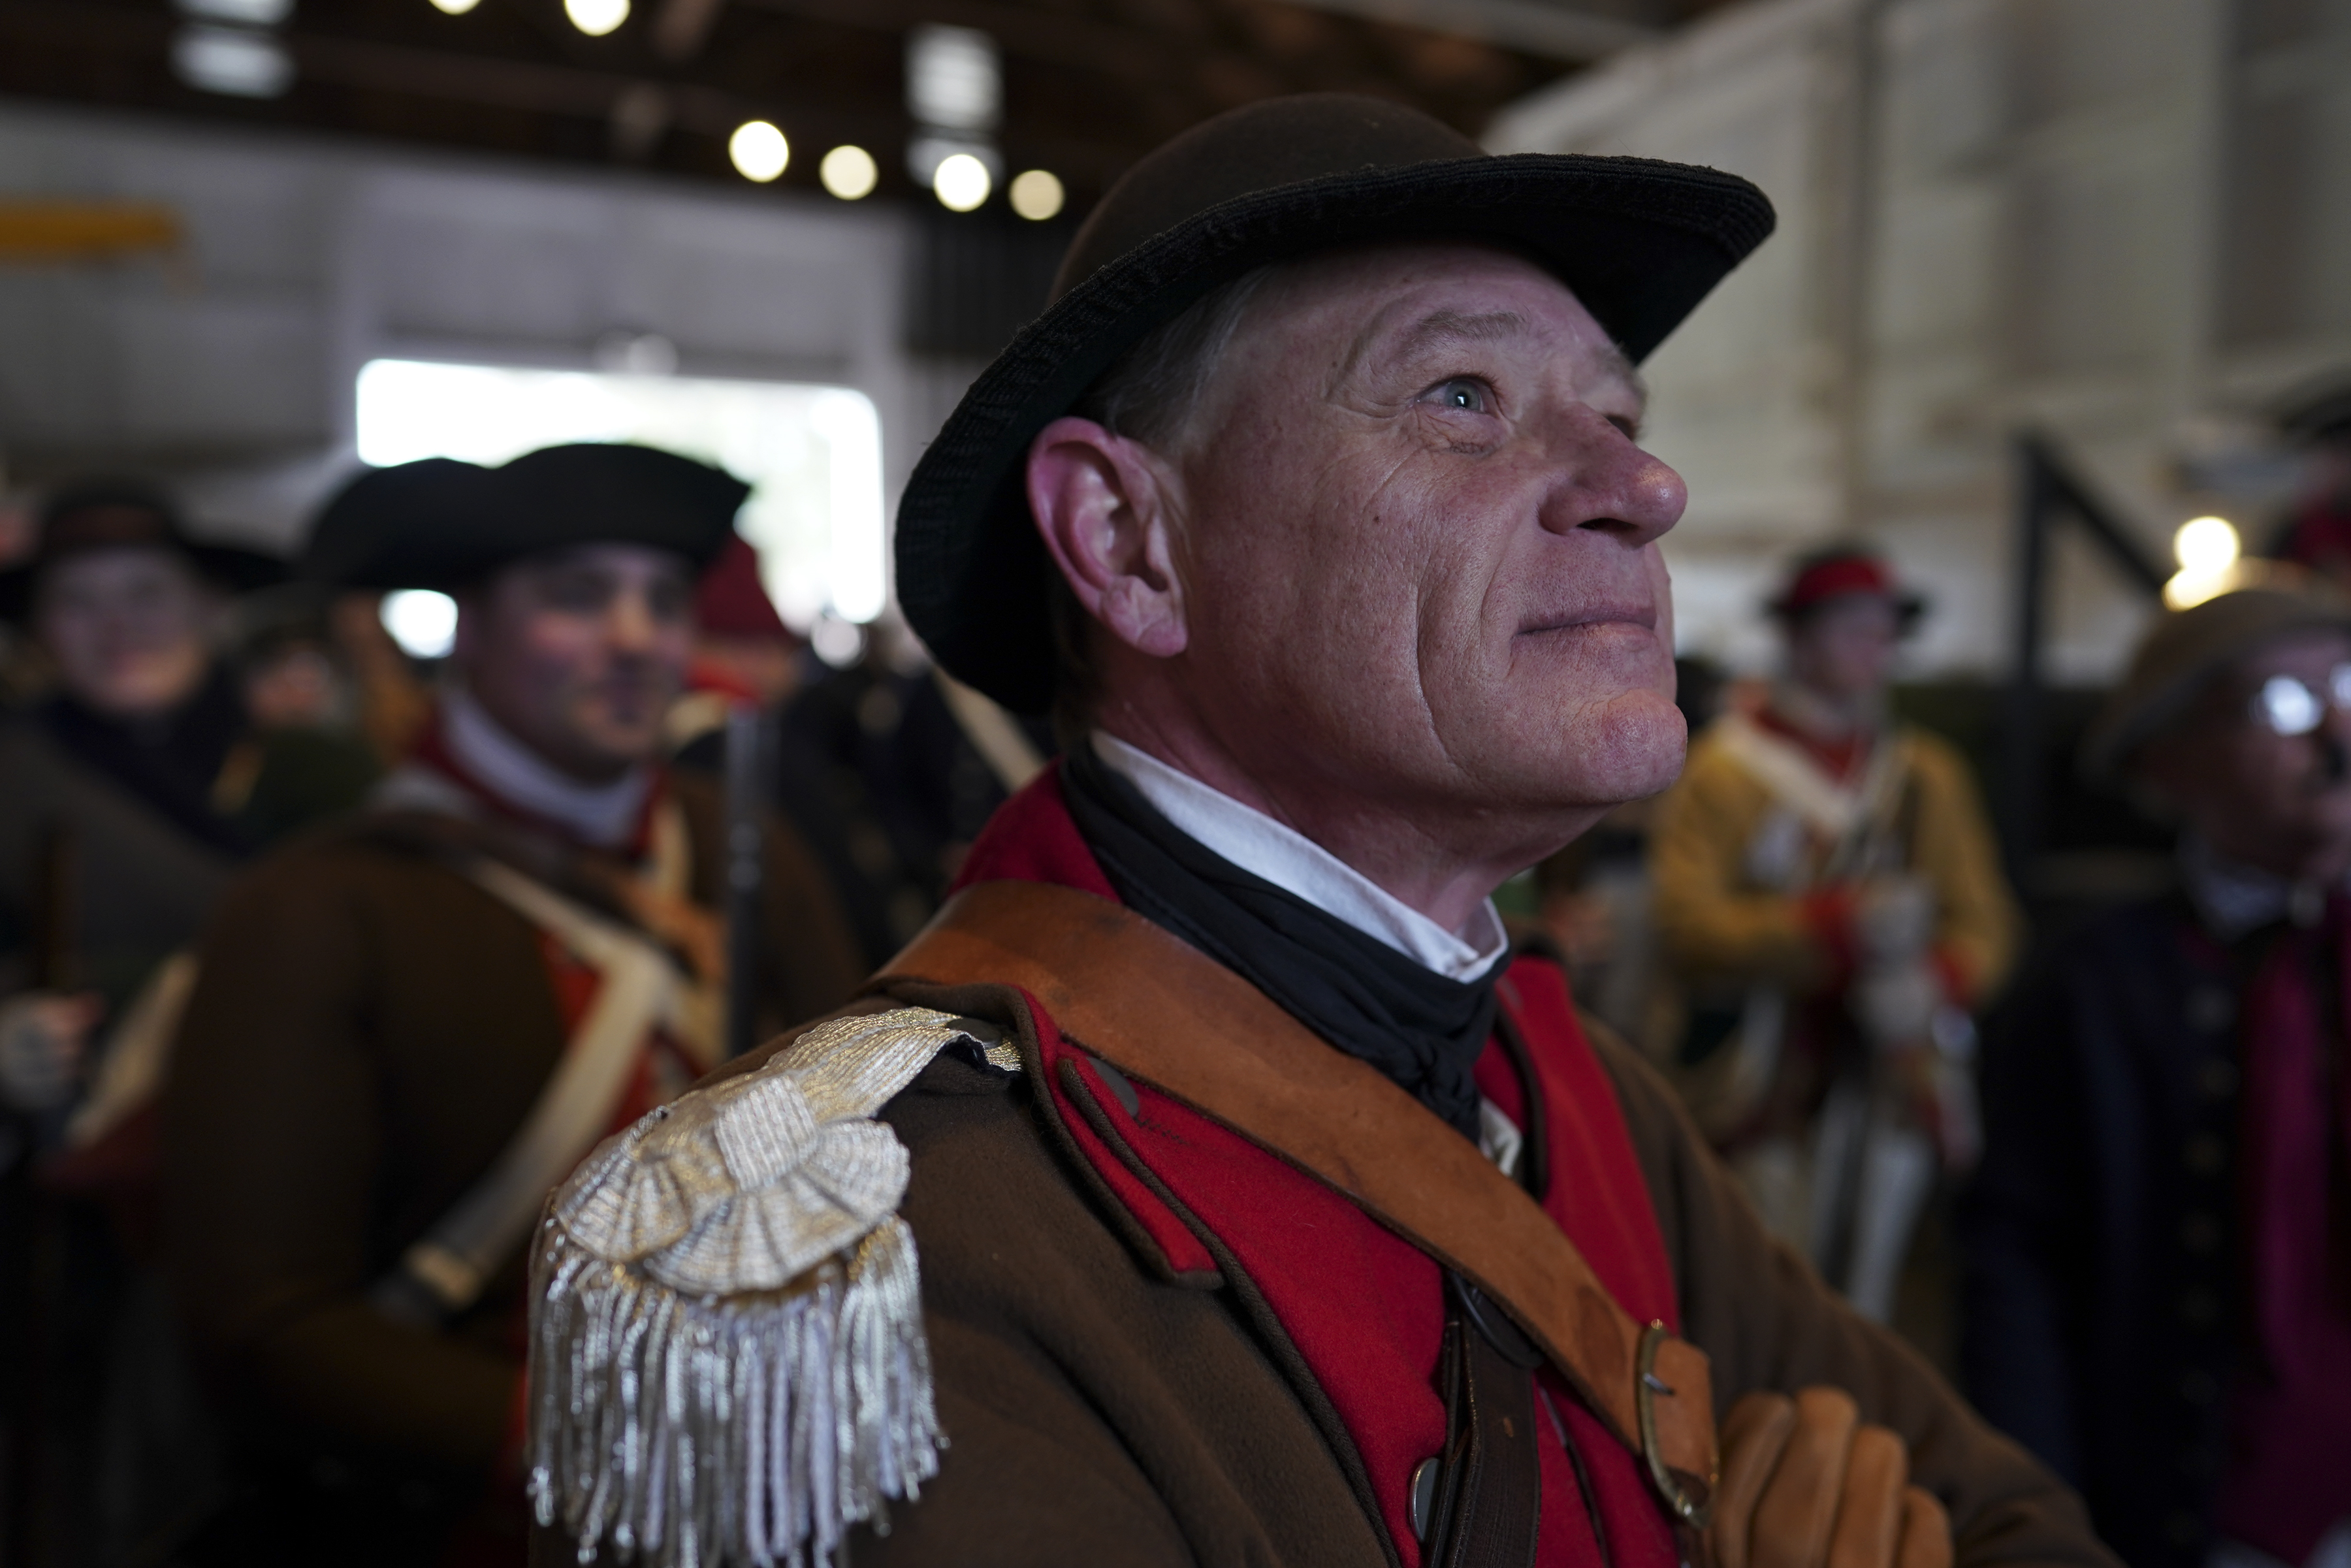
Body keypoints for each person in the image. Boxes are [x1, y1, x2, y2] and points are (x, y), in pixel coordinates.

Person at [525, 96, 2105, 1568]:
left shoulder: (1564, 1082)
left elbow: (2013, 1520)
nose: (1644, 483)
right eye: (1464, 396)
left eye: (1616, 413)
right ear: (1128, 538)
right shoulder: (833, 1251)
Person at [159, 445, 865, 1563]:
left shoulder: (746, 858)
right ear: (471, 626)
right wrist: (609, 1439)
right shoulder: (316, 909)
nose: (634, 637)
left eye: (663, 600)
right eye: (578, 596)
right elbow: (265, 1327)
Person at [1962, 584, 2351, 1568]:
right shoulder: (2100, 979)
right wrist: (2038, 1515)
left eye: (2350, 687)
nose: (2338, 729)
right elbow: (2019, 1262)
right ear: (2166, 761)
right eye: (2285, 705)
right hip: (2197, 1515)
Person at [1645, 547, 2019, 1322]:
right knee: (1756, 1296)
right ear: (1799, 637)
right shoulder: (1723, 769)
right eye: (1851, 629)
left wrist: (1939, 981)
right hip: (1761, 1083)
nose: (1872, 649)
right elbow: (1686, 925)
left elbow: (1985, 922)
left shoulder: (1925, 775)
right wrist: (1826, 931)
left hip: (1890, 1073)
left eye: (1882, 632)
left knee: (1878, 1299)